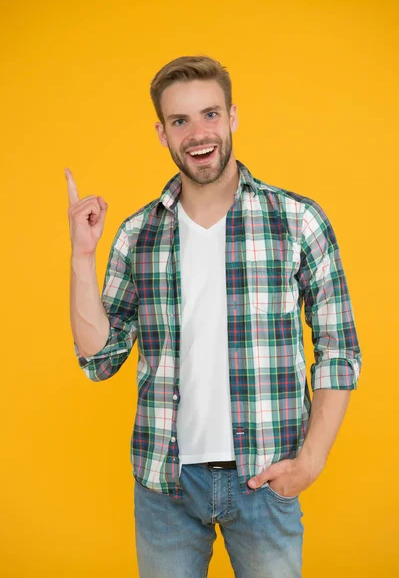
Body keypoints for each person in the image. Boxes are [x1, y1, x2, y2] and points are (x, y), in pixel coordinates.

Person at [66, 55, 362, 578]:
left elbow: (339, 348)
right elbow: (99, 358)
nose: (198, 133)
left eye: (210, 114)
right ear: (161, 132)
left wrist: (312, 459)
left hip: (264, 482)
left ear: (233, 117)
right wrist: (81, 257)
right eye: (180, 121)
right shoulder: (138, 234)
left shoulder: (297, 220)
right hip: (166, 488)